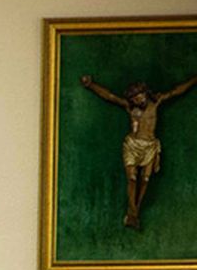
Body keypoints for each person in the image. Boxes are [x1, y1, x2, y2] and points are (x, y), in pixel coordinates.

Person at [79, 73, 197, 230]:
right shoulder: (130, 107)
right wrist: (91, 85)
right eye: (134, 98)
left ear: (145, 94)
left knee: (146, 179)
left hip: (149, 146)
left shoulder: (156, 102)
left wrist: (194, 79)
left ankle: (134, 212)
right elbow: (110, 96)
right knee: (133, 178)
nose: (138, 100)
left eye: (140, 96)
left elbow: (177, 91)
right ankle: (133, 213)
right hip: (132, 145)